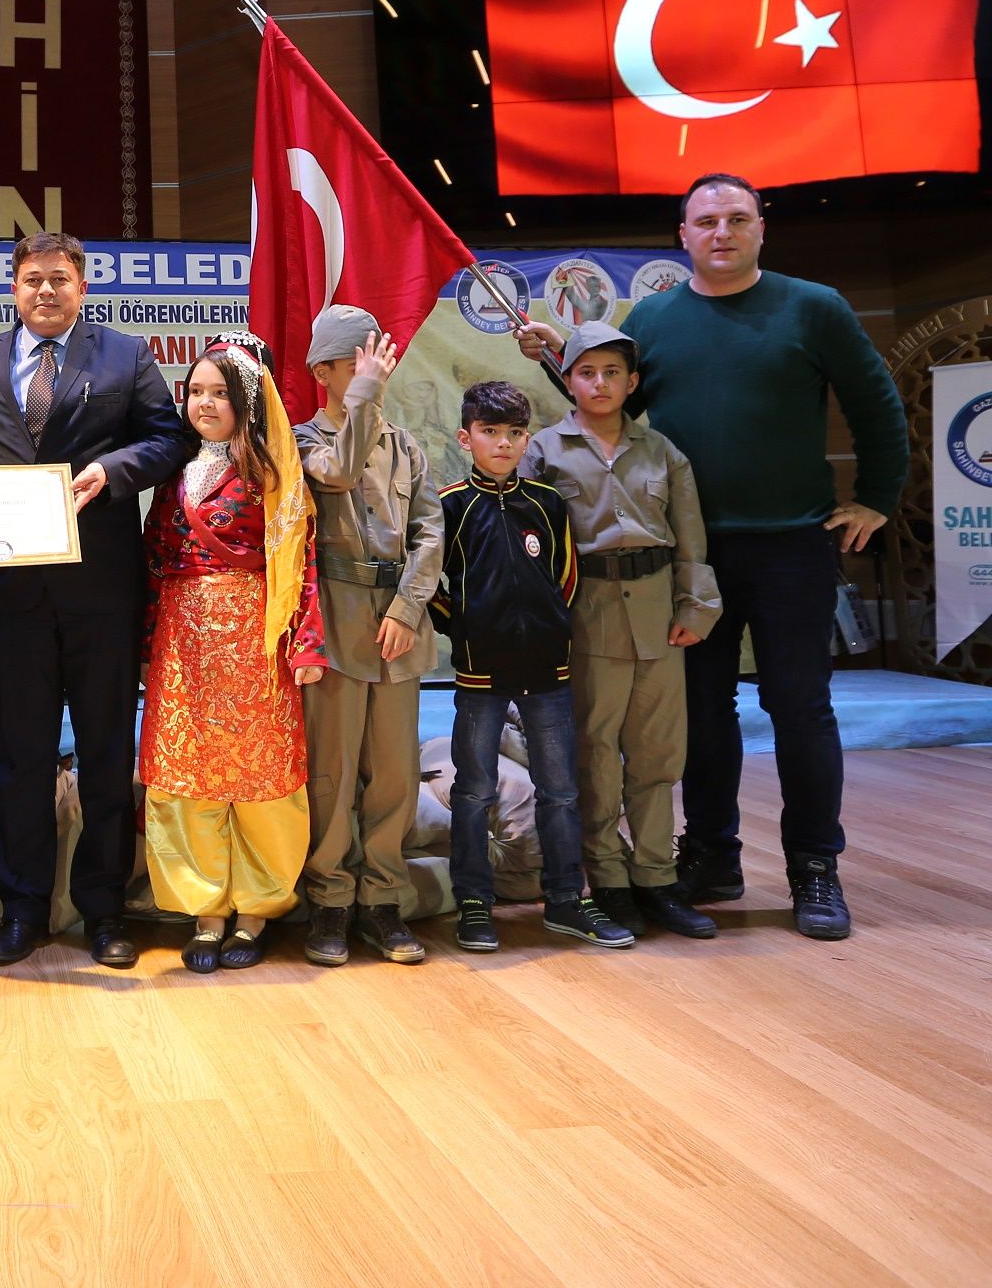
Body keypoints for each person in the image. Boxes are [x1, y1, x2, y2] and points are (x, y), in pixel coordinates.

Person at [515, 172, 905, 939]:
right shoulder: (655, 318)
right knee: (699, 711)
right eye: (706, 221)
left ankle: (814, 868)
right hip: (686, 555)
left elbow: (876, 403)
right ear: (683, 236)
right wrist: (561, 359)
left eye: (736, 218)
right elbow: (612, 406)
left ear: (761, 227)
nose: (721, 232)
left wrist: (877, 497)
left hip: (793, 545)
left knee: (800, 706)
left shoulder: (814, 306)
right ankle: (712, 856)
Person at [0, 231, 189, 970]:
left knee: (107, 751)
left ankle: (104, 910)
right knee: (20, 755)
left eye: (58, 278)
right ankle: (21, 909)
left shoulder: (126, 356)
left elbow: (168, 439)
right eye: (32, 279)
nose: (45, 291)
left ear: (83, 286)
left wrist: (112, 472)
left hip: (101, 588)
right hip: (12, 590)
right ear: (13, 288)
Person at [521, 321, 721, 942]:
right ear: (567, 380)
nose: (600, 384)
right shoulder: (543, 452)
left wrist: (696, 607)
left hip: (659, 616)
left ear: (632, 383)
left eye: (612, 373)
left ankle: (656, 878)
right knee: (596, 752)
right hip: (587, 615)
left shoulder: (662, 452)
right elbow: (527, 543)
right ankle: (608, 879)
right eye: (587, 373)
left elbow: (690, 536)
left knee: (659, 753)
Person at [428, 379, 634, 953]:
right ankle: (474, 901)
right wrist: (462, 626)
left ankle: (566, 899)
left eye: (515, 433)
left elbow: (566, 577)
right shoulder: (449, 505)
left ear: (527, 439)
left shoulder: (547, 503)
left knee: (561, 790)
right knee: (474, 790)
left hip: (548, 673)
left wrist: (551, 631)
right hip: (480, 673)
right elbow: (429, 583)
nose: (503, 443)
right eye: (490, 432)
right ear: (466, 438)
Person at [141, 344, 329, 971]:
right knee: (188, 772)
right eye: (195, 391)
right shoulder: (174, 472)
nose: (205, 403)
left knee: (260, 775)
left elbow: (301, 560)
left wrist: (306, 641)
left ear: (246, 401)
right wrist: (146, 645)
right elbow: (154, 562)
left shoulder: (274, 473)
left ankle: (255, 913)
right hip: (182, 643)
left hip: (256, 639)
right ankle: (205, 914)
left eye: (219, 392)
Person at [292, 305, 445, 968]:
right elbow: (339, 472)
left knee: (393, 775)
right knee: (330, 771)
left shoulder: (406, 446)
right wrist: (363, 399)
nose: (373, 370)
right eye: (356, 363)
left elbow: (430, 531)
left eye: (376, 359)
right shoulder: (303, 441)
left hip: (397, 623)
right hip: (336, 618)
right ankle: (329, 898)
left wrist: (408, 610)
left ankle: (383, 899)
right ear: (323, 371)